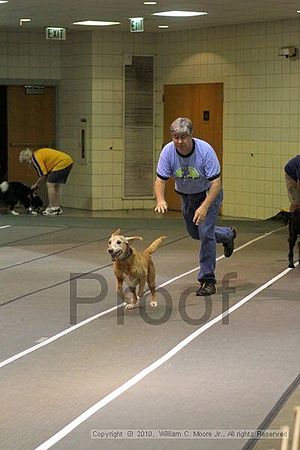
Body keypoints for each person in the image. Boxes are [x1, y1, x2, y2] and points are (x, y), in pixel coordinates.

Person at [154, 117, 236, 296]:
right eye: (176, 137)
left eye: (183, 137)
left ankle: (208, 280)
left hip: (208, 194)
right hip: (187, 196)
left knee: (206, 233)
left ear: (191, 135)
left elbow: (216, 183)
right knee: (194, 232)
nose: (179, 142)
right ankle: (228, 235)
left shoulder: (205, 150)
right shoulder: (168, 151)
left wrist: (205, 207)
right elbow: (160, 180)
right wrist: (160, 199)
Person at [19, 147, 73, 216]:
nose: (28, 165)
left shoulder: (35, 159)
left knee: (50, 184)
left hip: (62, 163)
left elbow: (43, 176)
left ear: (27, 159)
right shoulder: (38, 154)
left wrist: (36, 185)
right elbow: (45, 175)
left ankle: (52, 208)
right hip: (67, 161)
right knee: (55, 185)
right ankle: (56, 207)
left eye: (25, 162)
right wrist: (38, 186)